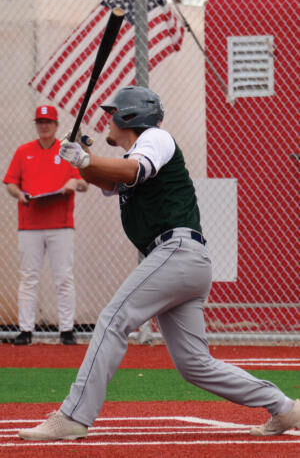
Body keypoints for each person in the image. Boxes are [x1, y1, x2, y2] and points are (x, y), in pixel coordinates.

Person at [18, 87, 299, 440]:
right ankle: (285, 407)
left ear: (130, 117)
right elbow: (107, 177)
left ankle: (73, 415)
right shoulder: (133, 153)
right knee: (195, 365)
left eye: (113, 112)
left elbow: (131, 170)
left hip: (176, 252)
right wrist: (82, 157)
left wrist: (85, 160)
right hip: (184, 261)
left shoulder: (156, 138)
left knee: (112, 320)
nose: (108, 118)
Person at [3, 105, 88, 346]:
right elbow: (10, 183)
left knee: (63, 277)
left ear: (56, 125)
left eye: (48, 122)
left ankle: (67, 329)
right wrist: (18, 194)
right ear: (36, 124)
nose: (44, 126)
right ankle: (25, 329)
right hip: (30, 222)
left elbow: (83, 184)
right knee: (29, 277)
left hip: (60, 223)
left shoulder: (66, 151)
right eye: (40, 122)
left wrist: (73, 183)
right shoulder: (24, 151)